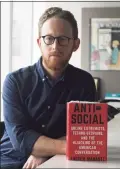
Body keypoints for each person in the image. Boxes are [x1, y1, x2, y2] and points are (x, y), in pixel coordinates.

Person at [0, 7, 96, 169]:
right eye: (49, 38)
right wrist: (58, 149)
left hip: (61, 162)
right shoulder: (14, 81)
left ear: (76, 44)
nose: (55, 46)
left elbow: (84, 135)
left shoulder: (84, 82)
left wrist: (45, 152)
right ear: (39, 42)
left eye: (63, 39)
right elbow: (20, 138)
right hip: (10, 160)